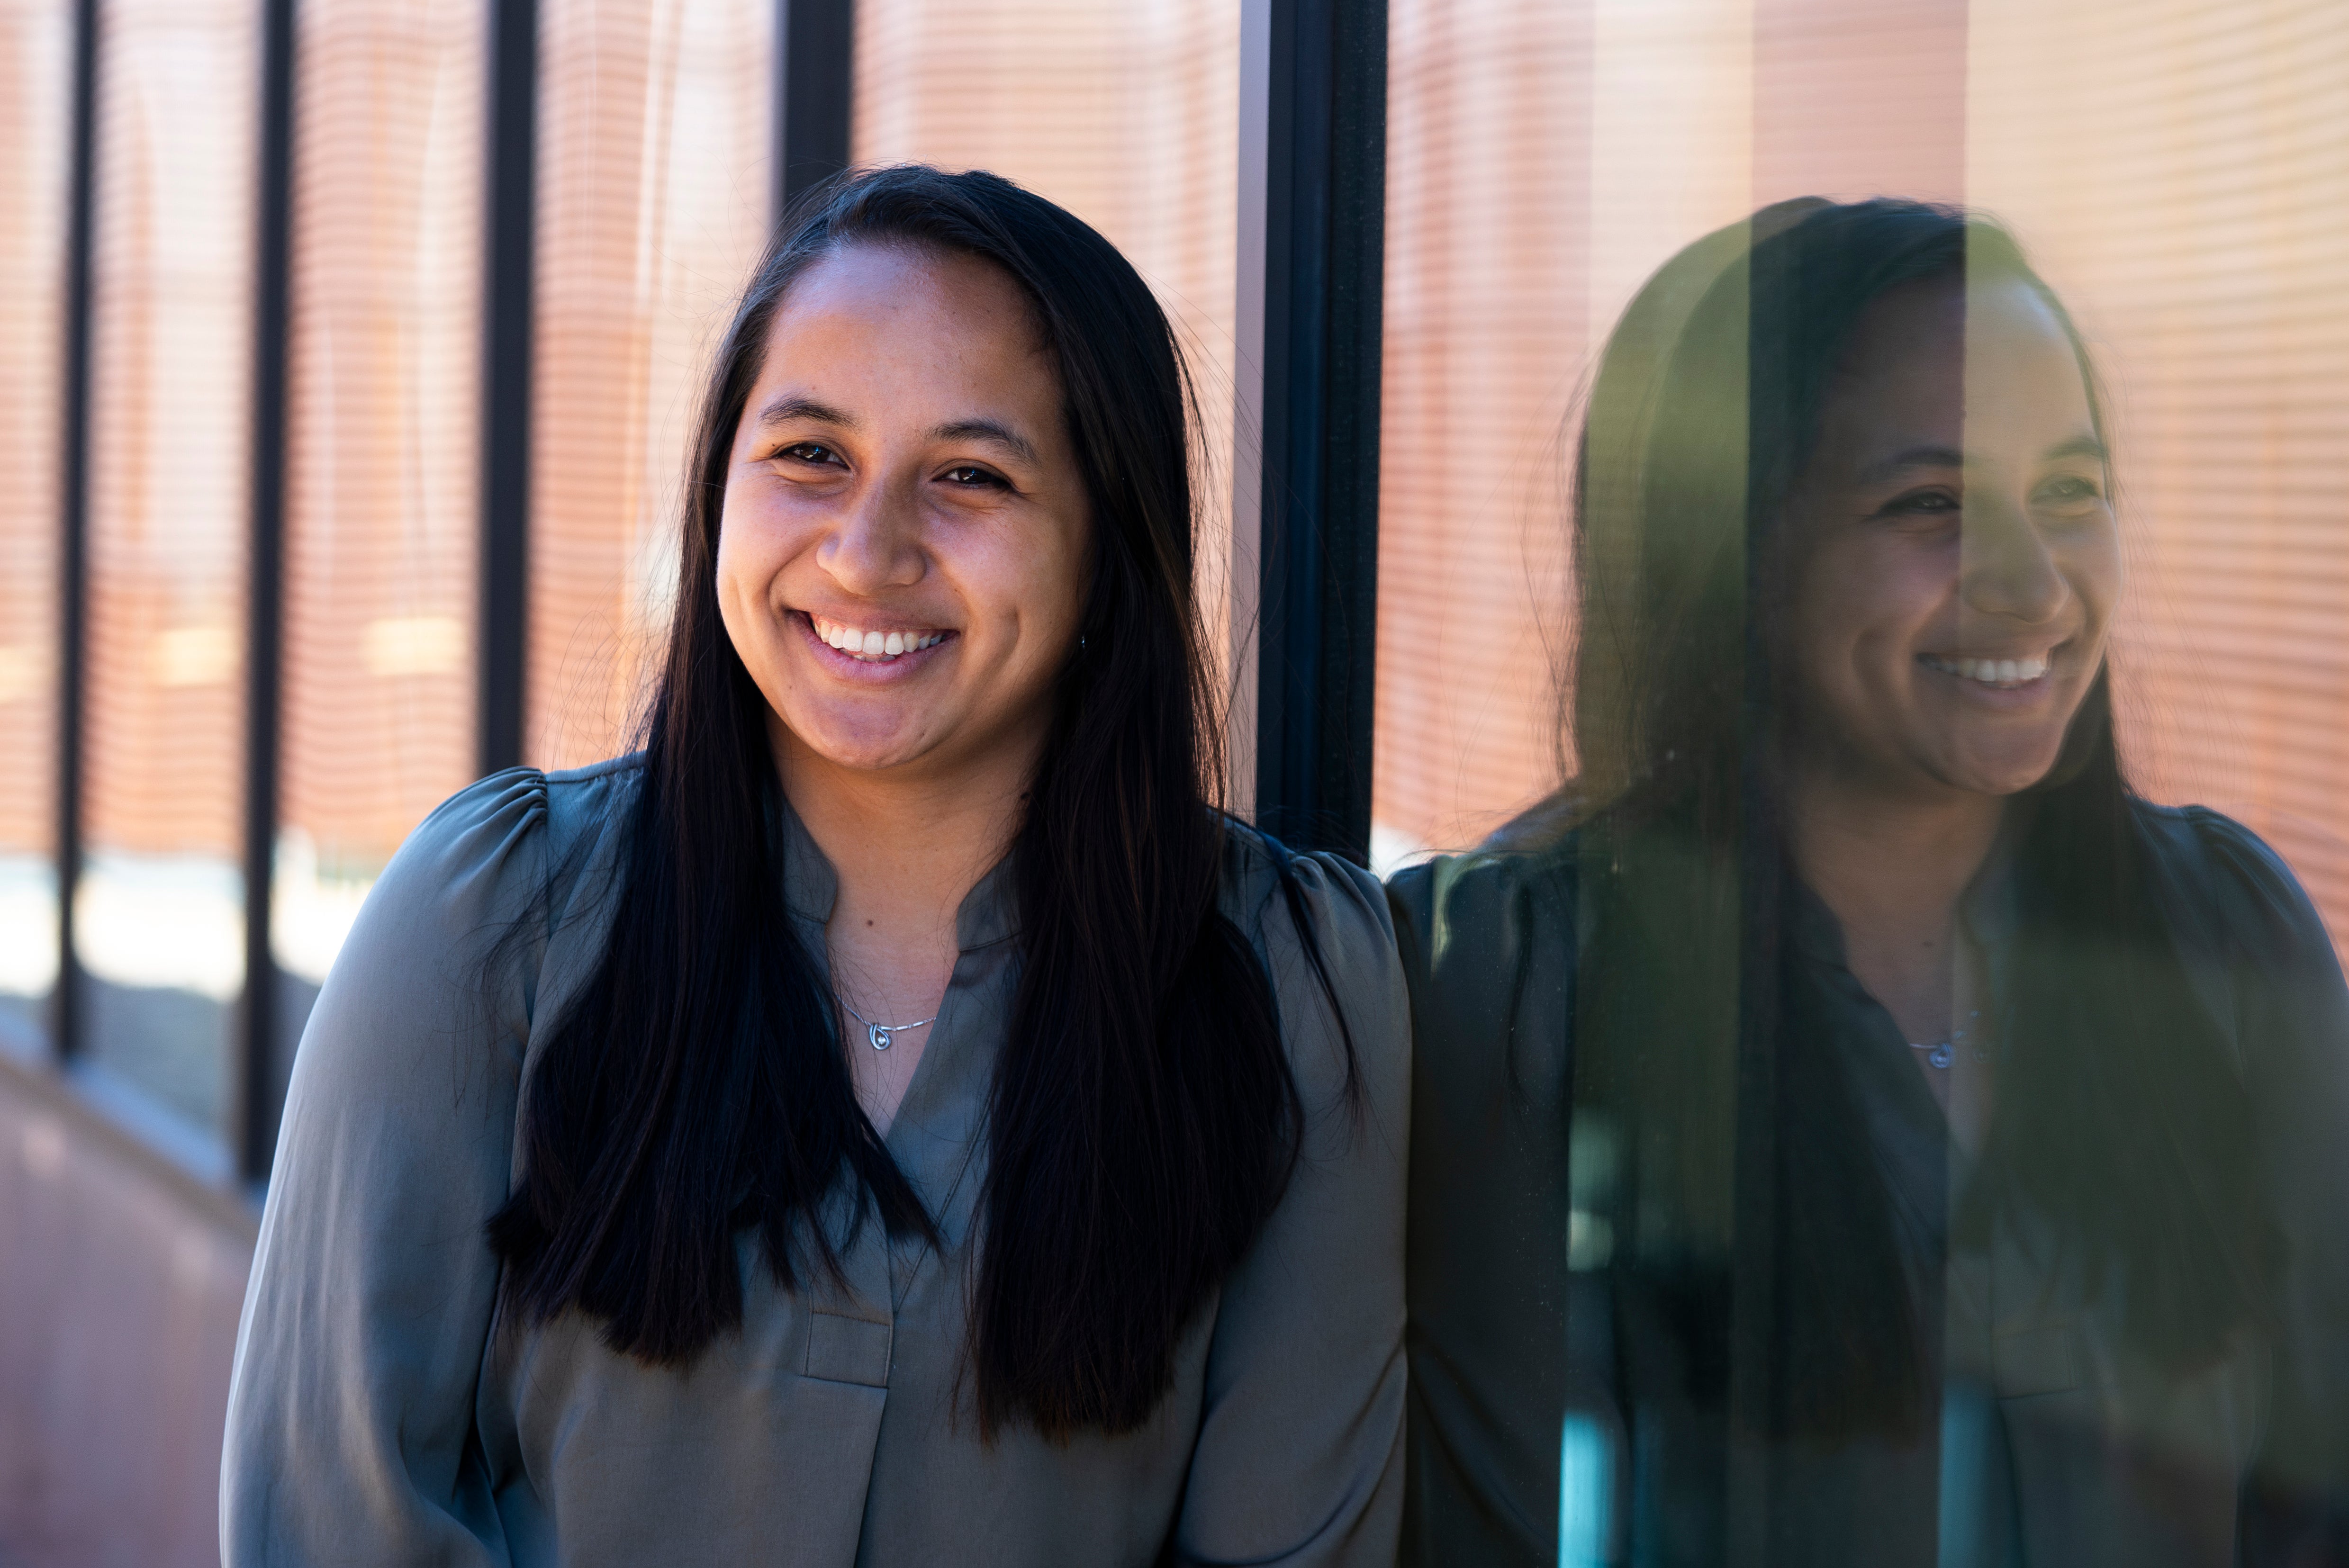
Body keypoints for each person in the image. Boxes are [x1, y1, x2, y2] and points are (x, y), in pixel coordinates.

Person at [221, 165, 1408, 1566]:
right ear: (720, 489)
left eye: (971, 475)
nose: (866, 551)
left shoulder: (1287, 988)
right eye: (810, 456)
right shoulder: (494, 920)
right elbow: (331, 1522)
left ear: (1108, 547)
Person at [1392, 199, 2349, 1567]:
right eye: (1931, 506)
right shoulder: (1507, 975)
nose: (2033, 585)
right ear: (1729, 556)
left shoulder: (2225, 934)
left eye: (2071, 493)